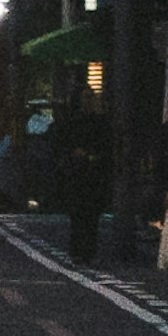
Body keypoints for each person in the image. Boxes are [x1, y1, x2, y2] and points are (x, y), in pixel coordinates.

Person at [50, 76, 114, 267]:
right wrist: (73, 153)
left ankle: (88, 251)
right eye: (85, 97)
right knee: (77, 213)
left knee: (92, 214)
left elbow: (106, 146)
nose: (88, 101)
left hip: (94, 173)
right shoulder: (71, 122)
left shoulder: (100, 121)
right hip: (76, 173)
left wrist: (94, 157)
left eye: (90, 97)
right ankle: (78, 250)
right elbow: (62, 144)